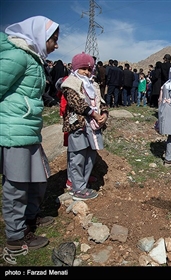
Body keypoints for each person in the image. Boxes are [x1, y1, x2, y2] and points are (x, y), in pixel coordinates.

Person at [0, 16, 59, 250]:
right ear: (40, 36)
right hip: (14, 130)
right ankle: (15, 237)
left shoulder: (34, 59)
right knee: (17, 185)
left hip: (30, 129)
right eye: (53, 39)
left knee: (39, 178)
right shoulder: (17, 56)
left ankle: (30, 218)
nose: (56, 44)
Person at [60, 52, 108, 201]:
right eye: (83, 69)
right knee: (77, 157)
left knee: (90, 156)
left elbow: (102, 103)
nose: (87, 72)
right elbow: (76, 103)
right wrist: (94, 114)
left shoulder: (93, 85)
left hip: (93, 127)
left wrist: (104, 115)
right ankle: (77, 189)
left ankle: (82, 182)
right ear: (76, 68)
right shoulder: (70, 83)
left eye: (89, 69)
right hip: (79, 126)